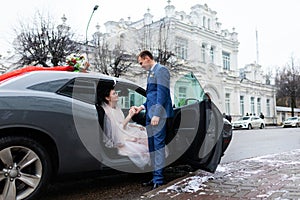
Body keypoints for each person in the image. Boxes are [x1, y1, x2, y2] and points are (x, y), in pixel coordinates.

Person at [133, 50, 174, 190]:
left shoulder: (161, 70)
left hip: (158, 115)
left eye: (141, 62)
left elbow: (162, 94)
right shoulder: (151, 72)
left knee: (158, 147)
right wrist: (141, 106)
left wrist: (157, 114)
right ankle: (154, 177)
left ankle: (159, 179)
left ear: (147, 58)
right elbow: (152, 96)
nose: (141, 65)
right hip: (150, 114)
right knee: (151, 147)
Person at [100, 86, 150, 169]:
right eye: (114, 94)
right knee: (143, 143)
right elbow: (118, 128)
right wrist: (130, 115)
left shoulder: (116, 108)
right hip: (119, 135)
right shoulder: (108, 112)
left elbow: (123, 123)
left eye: (116, 93)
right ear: (107, 98)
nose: (117, 95)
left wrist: (135, 125)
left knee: (144, 132)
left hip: (124, 130)